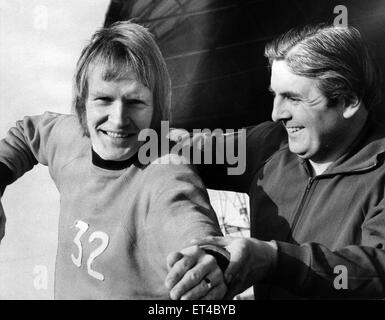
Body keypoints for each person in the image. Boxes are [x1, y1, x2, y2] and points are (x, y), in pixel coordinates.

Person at [0, 21, 227, 299]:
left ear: (157, 108)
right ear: (82, 102)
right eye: (104, 99)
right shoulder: (68, 137)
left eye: (135, 102)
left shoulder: (166, 173)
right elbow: (27, 133)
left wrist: (207, 255)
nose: (118, 120)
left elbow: (186, 218)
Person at [166, 23, 385, 299]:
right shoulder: (269, 143)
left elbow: (377, 271)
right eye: (275, 95)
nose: (276, 113)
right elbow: (188, 150)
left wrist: (273, 259)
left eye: (293, 98)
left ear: (348, 100)